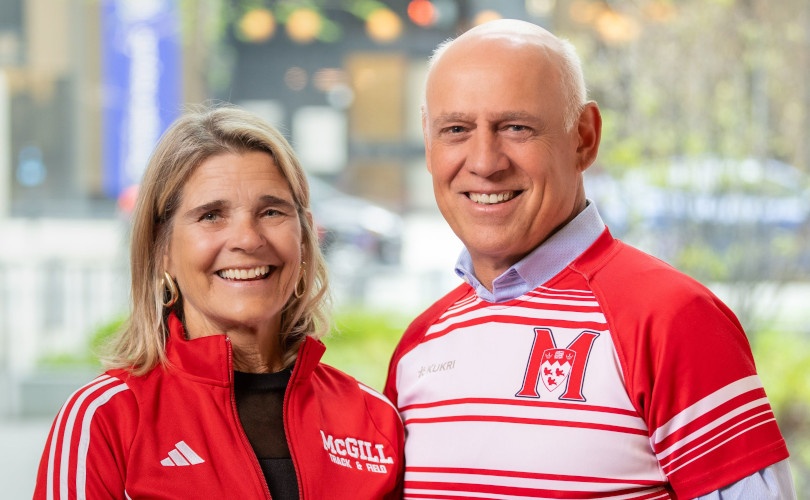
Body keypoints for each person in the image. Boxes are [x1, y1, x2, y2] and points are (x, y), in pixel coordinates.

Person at [384, 19, 795, 499]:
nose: (485, 162)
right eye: (455, 129)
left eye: (516, 127)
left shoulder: (673, 320)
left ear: (584, 137)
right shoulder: (419, 346)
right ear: (429, 146)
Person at [35, 105, 404, 499]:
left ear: (304, 236)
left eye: (271, 211)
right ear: (163, 249)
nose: (247, 239)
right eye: (212, 215)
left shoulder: (374, 418)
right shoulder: (105, 419)